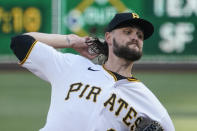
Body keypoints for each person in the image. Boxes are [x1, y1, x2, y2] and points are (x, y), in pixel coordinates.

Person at [10, 12, 175, 131]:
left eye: (140, 35)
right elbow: (20, 42)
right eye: (128, 32)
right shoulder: (71, 66)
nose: (135, 38)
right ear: (109, 37)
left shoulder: (149, 104)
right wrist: (73, 41)